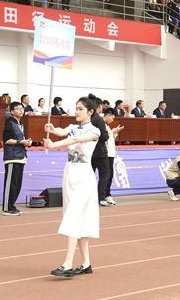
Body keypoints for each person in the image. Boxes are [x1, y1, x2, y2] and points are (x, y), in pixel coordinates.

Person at [43, 96, 101, 277]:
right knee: (77, 218)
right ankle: (86, 263)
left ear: (90, 112)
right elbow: (63, 132)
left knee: (72, 217)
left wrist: (54, 144)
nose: (77, 111)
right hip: (69, 174)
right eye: (76, 108)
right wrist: (52, 129)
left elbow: (74, 140)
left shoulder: (95, 131)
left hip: (84, 176)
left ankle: (68, 264)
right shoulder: (73, 126)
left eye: (80, 109)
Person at [2, 102, 31, 216]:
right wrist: (20, 142)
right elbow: (7, 140)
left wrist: (26, 142)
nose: (21, 110)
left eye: (22, 108)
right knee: (11, 184)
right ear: (12, 111)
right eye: (18, 108)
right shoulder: (10, 124)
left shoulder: (20, 124)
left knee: (17, 184)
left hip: (21, 156)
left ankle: (12, 205)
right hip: (12, 157)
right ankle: (6, 208)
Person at [87, 95, 111, 206]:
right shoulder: (98, 119)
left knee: (89, 176)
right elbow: (104, 137)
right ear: (99, 106)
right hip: (100, 152)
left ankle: (88, 197)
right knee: (105, 174)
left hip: (88, 152)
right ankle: (101, 197)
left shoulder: (87, 118)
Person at [102, 108, 123, 205]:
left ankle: (106, 195)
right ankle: (105, 195)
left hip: (110, 153)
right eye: (112, 118)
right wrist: (112, 131)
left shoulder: (107, 126)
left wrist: (114, 132)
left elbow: (110, 139)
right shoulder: (101, 125)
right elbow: (104, 137)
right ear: (108, 115)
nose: (112, 120)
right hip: (106, 153)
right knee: (107, 175)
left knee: (109, 175)